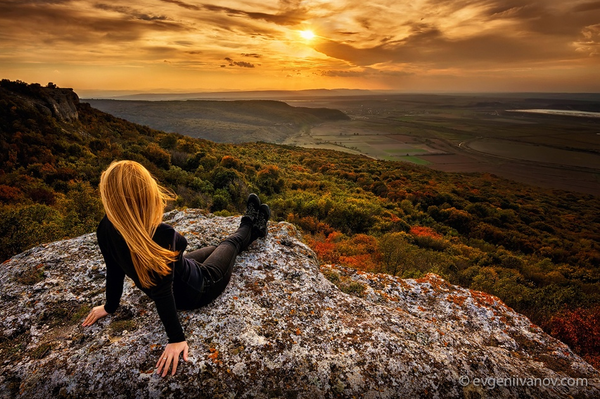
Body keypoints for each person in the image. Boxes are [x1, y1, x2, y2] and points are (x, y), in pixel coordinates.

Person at [81, 160, 270, 377]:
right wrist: (176, 339)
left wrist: (109, 306)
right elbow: (165, 285)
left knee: (216, 248)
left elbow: (113, 269)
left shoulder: (105, 227)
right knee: (230, 244)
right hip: (200, 287)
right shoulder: (161, 234)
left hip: (182, 272)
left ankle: (256, 229)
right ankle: (250, 224)